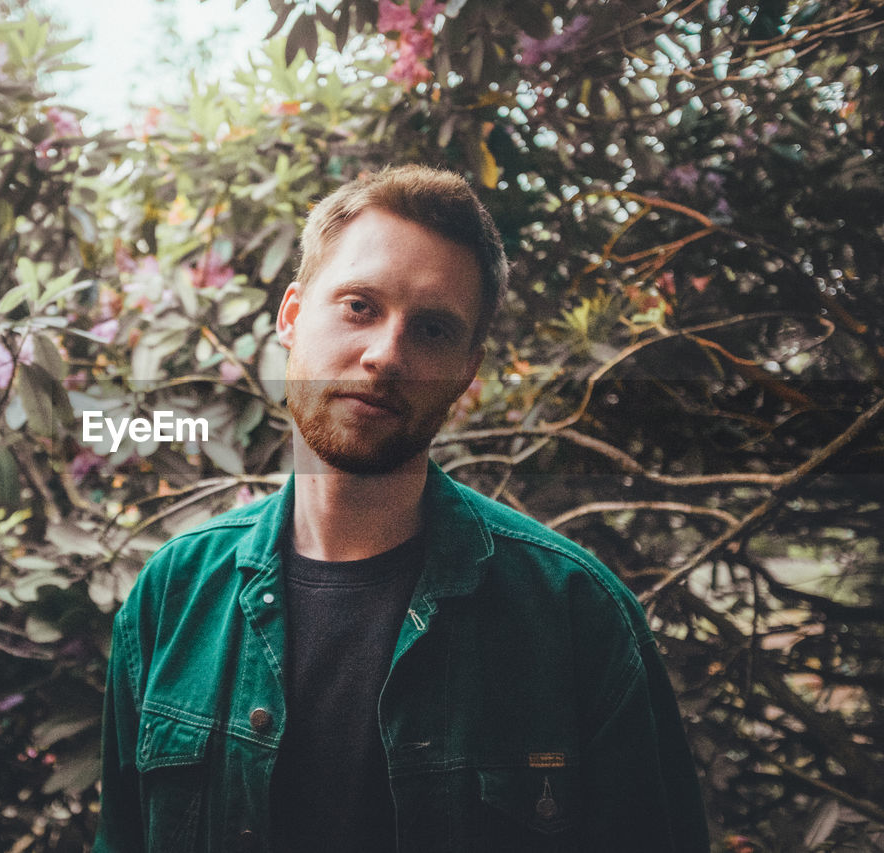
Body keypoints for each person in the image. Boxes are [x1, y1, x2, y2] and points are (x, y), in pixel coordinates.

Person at [94, 165, 710, 852]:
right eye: (359, 306)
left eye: (434, 331)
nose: (387, 355)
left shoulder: (577, 616)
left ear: (467, 371)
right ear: (292, 317)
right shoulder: (172, 596)